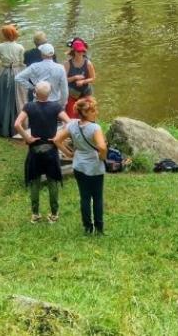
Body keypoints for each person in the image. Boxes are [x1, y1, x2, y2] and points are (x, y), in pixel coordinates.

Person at [14, 81, 70, 224]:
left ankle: (35, 214)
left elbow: (17, 124)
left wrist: (27, 138)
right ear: (49, 94)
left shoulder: (29, 106)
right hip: (51, 149)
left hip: (35, 149)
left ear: (35, 93)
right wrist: (59, 135)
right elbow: (69, 122)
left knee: (34, 181)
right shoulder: (56, 107)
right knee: (53, 181)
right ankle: (54, 214)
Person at [53, 97, 107, 235]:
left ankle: (88, 227)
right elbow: (101, 147)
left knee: (84, 197)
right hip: (94, 167)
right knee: (97, 198)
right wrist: (102, 157)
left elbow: (57, 140)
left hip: (78, 165)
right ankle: (99, 228)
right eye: (94, 110)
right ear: (86, 113)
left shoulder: (72, 125)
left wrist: (69, 154)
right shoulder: (95, 128)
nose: (96, 113)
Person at [0, 24, 27, 137]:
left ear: (5, 35)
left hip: (4, 73)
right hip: (17, 73)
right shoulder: (20, 47)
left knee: (2, 99)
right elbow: (22, 63)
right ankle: (19, 127)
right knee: (18, 99)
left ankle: (1, 126)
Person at [15, 43, 68, 108]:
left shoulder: (34, 66)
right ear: (53, 54)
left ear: (42, 55)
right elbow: (64, 90)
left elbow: (18, 78)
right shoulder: (60, 68)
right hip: (55, 102)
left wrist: (32, 87)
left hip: (38, 102)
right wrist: (62, 104)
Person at [64, 39, 95, 118]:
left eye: (82, 51)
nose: (81, 53)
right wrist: (74, 77)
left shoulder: (88, 63)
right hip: (72, 93)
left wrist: (84, 81)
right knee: (71, 116)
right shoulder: (67, 64)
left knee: (88, 115)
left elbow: (93, 78)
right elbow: (64, 80)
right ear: (74, 51)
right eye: (78, 51)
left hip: (86, 92)